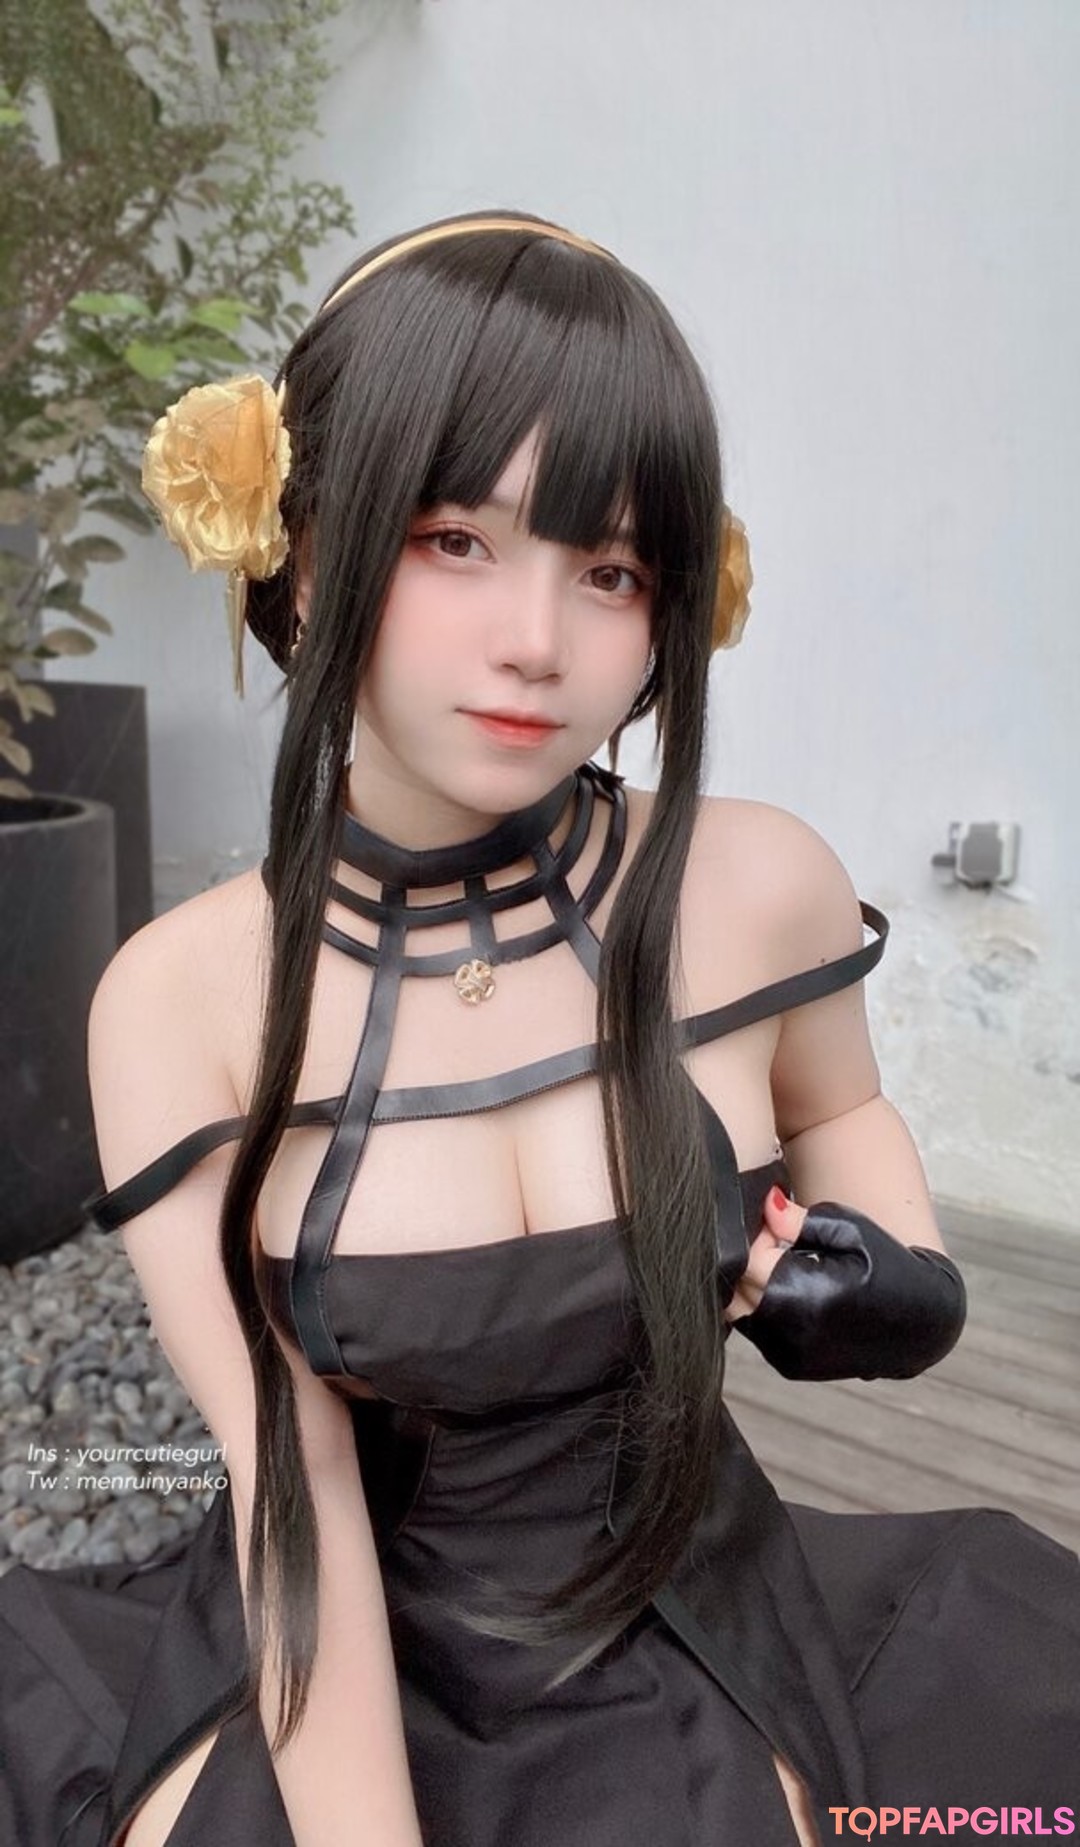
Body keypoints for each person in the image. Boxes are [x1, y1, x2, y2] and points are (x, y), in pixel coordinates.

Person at [0, 209, 1076, 1847]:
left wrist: (896, 1280)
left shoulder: (752, 885)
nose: (539, 642)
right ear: (301, 545)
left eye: (613, 571)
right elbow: (295, 1498)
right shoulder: (181, 1002)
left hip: (695, 1613)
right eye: (456, 539)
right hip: (336, 1646)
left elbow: (843, 1114)